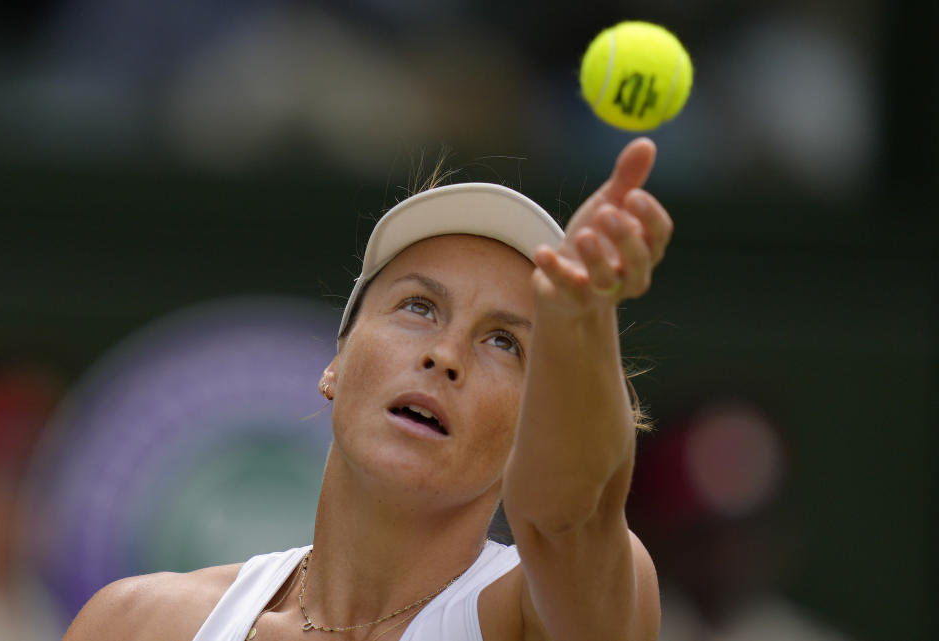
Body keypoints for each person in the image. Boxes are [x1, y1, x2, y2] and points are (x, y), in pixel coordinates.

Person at [62, 137, 672, 641]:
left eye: (505, 343)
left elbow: (574, 514)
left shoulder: (533, 619)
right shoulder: (133, 625)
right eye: (419, 306)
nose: (445, 354)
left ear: (534, 425)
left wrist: (582, 322)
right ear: (337, 360)